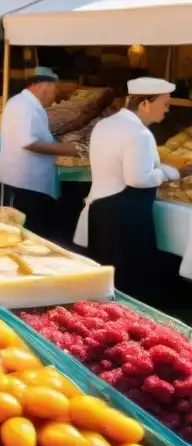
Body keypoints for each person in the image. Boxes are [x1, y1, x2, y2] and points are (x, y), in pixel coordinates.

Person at [74, 78, 190, 293]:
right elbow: (138, 178)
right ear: (146, 104)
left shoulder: (106, 124)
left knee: (105, 276)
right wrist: (173, 172)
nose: (167, 110)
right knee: (127, 280)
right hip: (123, 215)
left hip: (102, 209)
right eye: (165, 103)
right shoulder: (139, 134)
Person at [0, 68, 79, 234]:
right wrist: (70, 150)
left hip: (28, 182)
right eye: (54, 89)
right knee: (27, 231)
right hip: (24, 183)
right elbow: (29, 142)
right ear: (44, 85)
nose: (55, 95)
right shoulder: (23, 106)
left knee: (30, 230)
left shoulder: (25, 103)